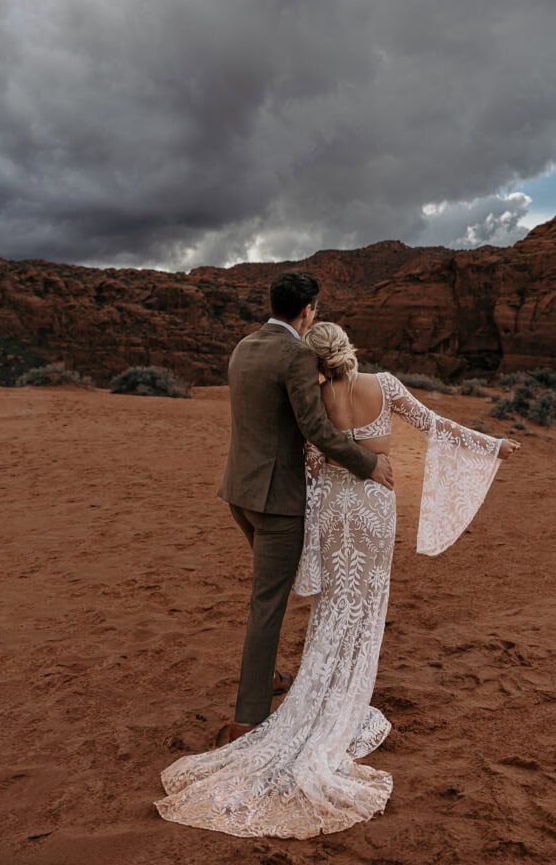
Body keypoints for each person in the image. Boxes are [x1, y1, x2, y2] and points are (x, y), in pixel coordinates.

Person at [155, 322, 519, 838]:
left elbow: (310, 455)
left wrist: (322, 460)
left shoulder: (315, 396)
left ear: (316, 362)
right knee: (367, 601)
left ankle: (321, 690)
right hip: (373, 507)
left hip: (332, 510)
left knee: (333, 602)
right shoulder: (386, 384)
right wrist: (492, 445)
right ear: (350, 349)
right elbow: (434, 425)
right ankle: (345, 697)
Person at [212, 273, 392, 741]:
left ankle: (266, 677)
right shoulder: (297, 355)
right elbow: (315, 427)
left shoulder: (244, 347)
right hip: (277, 502)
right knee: (268, 604)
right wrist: (367, 464)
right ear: (309, 309)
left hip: (239, 493)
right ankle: (246, 719)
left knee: (268, 594)